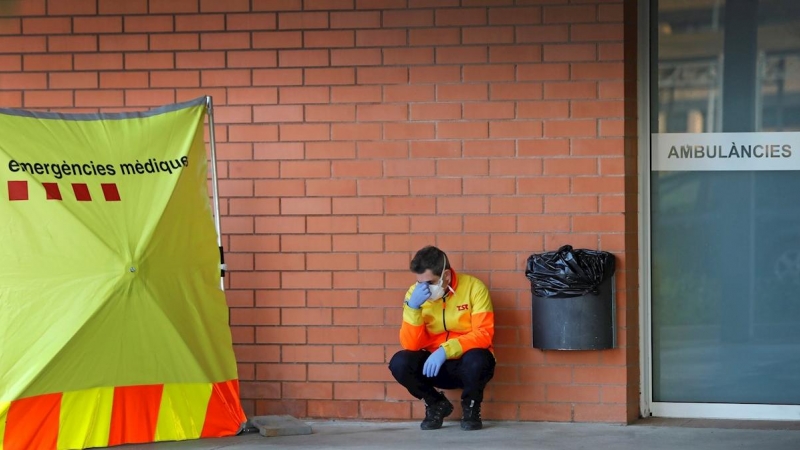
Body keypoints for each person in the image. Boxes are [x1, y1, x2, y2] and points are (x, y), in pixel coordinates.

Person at [388, 245, 496, 431]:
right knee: (400, 362)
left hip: (467, 364)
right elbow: (411, 344)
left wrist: (446, 350)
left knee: (480, 358)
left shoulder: (474, 288)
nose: (423, 288)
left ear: (446, 276)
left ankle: (471, 408)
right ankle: (436, 403)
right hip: (434, 366)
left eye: (429, 283)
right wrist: (413, 308)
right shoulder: (414, 295)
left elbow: (484, 334)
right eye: (419, 282)